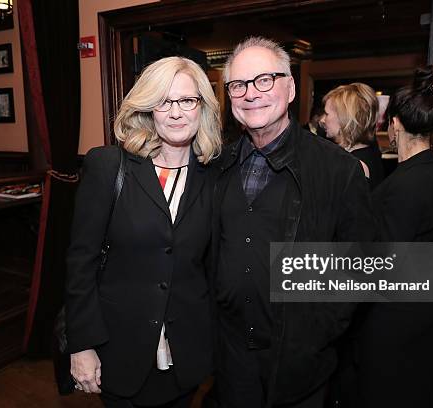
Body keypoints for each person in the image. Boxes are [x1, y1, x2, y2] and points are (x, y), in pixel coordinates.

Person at [212, 36, 375, 408]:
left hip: (299, 365)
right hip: (230, 359)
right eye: (238, 85)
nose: (251, 94)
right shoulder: (216, 165)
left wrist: (317, 334)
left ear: (289, 88)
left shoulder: (339, 170)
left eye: (264, 80)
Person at [65, 56, 222, 408]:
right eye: (164, 101)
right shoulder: (108, 166)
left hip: (187, 353)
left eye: (187, 100)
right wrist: (82, 343)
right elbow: (81, 261)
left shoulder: (215, 176)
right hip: (120, 350)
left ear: (203, 107)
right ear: (148, 108)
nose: (176, 112)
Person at [355, 66, 433, 408]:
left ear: (395, 124)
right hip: (419, 304)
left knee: (384, 390)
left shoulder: (408, 183)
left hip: (393, 315)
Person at [321, 83, 384, 190]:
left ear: (344, 119)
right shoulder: (369, 151)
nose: (322, 120)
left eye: (326, 114)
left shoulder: (356, 165)